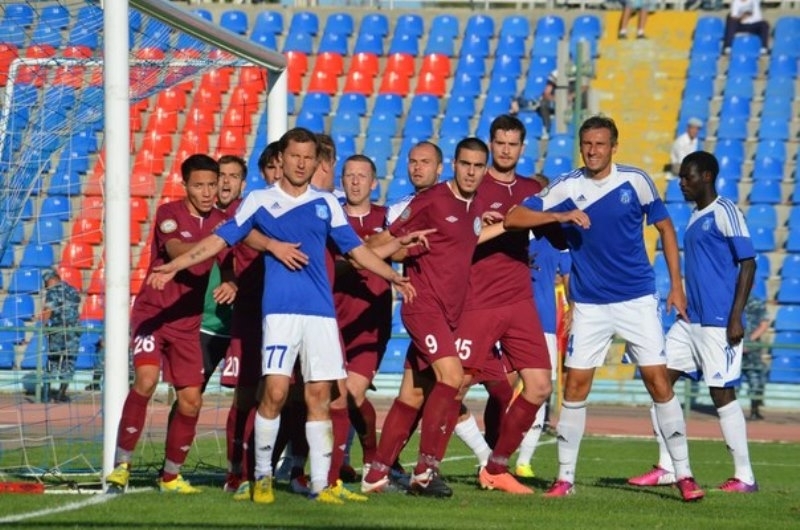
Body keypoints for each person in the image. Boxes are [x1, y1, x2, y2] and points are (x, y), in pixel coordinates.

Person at [146, 127, 422, 505]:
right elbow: (220, 239)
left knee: (319, 396)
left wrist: (392, 276)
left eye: (308, 158)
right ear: (282, 158)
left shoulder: (327, 204)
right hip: (279, 314)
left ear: (315, 162)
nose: (301, 164)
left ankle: (321, 485)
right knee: (274, 392)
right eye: (295, 156)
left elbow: (356, 250)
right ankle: (260, 477)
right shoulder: (259, 200)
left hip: (321, 315)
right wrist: (174, 265)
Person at [505, 115, 704, 502]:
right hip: (589, 304)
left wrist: (676, 288)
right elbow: (514, 218)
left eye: (600, 144)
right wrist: (559, 215)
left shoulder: (636, 181)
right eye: (587, 144)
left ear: (614, 146)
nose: (593, 150)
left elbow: (665, 228)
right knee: (575, 387)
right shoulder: (567, 186)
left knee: (658, 382)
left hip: (636, 299)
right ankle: (565, 479)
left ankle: (684, 474)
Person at [458, 115, 582, 495]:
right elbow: (459, 240)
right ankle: (425, 466)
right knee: (451, 387)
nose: (506, 150)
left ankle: (497, 467)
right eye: (500, 143)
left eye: (513, 144)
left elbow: (560, 240)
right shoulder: (473, 185)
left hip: (520, 302)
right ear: (491, 144)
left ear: (522, 148)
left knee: (540, 386)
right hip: (477, 300)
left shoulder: (532, 190)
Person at [628, 151, 759, 494]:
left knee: (721, 393)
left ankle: (745, 476)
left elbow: (748, 263)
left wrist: (735, 316)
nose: (682, 182)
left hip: (718, 320)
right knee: (658, 381)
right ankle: (668, 466)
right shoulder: (695, 217)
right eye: (681, 177)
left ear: (707, 177)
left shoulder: (726, 211)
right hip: (690, 320)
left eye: (688, 176)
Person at [105, 154, 234, 494]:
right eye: (199, 185)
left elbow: (229, 263)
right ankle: (121, 467)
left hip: (188, 325)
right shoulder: (169, 214)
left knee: (191, 400)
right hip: (154, 315)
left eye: (212, 185)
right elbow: (177, 250)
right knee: (146, 381)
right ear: (185, 185)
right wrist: (214, 243)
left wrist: (231, 282)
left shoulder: (222, 221)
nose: (207, 192)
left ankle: (171, 476)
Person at [333, 154, 393, 482]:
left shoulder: (388, 218)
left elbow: (404, 249)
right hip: (331, 320)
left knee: (351, 394)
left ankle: (369, 457)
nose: (355, 181)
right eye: (350, 175)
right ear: (342, 181)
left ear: (374, 183)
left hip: (370, 323)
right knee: (329, 396)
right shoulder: (331, 218)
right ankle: (328, 463)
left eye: (362, 176)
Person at [514, 232, 571, 478]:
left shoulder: (558, 238)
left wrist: (574, 309)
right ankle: (489, 456)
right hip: (504, 319)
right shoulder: (506, 231)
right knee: (500, 389)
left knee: (539, 391)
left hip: (544, 324)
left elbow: (569, 277)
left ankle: (523, 462)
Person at [511, 65, 588, 139]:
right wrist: (558, 99)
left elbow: (585, 87)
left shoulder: (577, 71)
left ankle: (582, 126)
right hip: (558, 100)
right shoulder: (555, 74)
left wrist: (572, 96)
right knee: (543, 103)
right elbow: (546, 93)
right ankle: (548, 129)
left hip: (574, 99)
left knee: (585, 98)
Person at [41, 270, 81, 403]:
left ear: (52, 280)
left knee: (53, 360)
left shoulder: (53, 291)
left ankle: (46, 394)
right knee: (69, 362)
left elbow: (48, 310)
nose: (46, 286)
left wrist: (44, 326)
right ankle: (61, 394)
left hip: (58, 331)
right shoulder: (72, 290)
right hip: (73, 331)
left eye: (46, 283)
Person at [742, 293, 770, 421]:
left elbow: (764, 325)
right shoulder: (730, 300)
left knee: (756, 379)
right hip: (733, 347)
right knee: (731, 381)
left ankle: (754, 410)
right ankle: (729, 412)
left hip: (752, 350)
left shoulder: (757, 302)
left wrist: (748, 341)